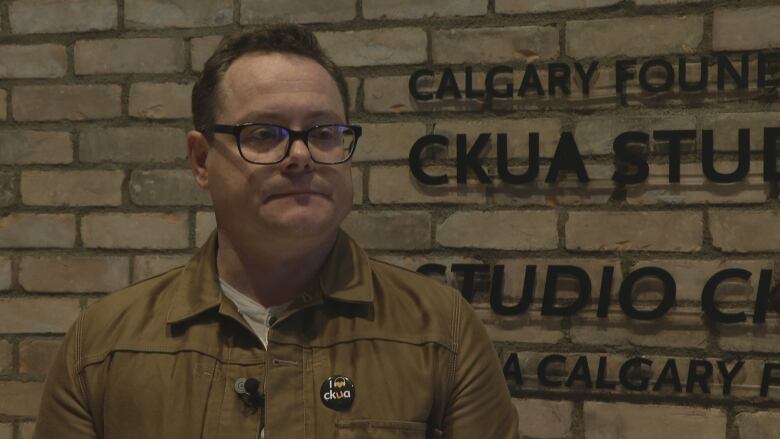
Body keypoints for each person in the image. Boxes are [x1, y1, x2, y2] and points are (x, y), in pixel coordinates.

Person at [33, 24, 519, 439]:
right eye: (265, 134)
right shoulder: (102, 346)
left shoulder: (441, 332)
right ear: (202, 160)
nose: (301, 156)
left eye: (324, 133)